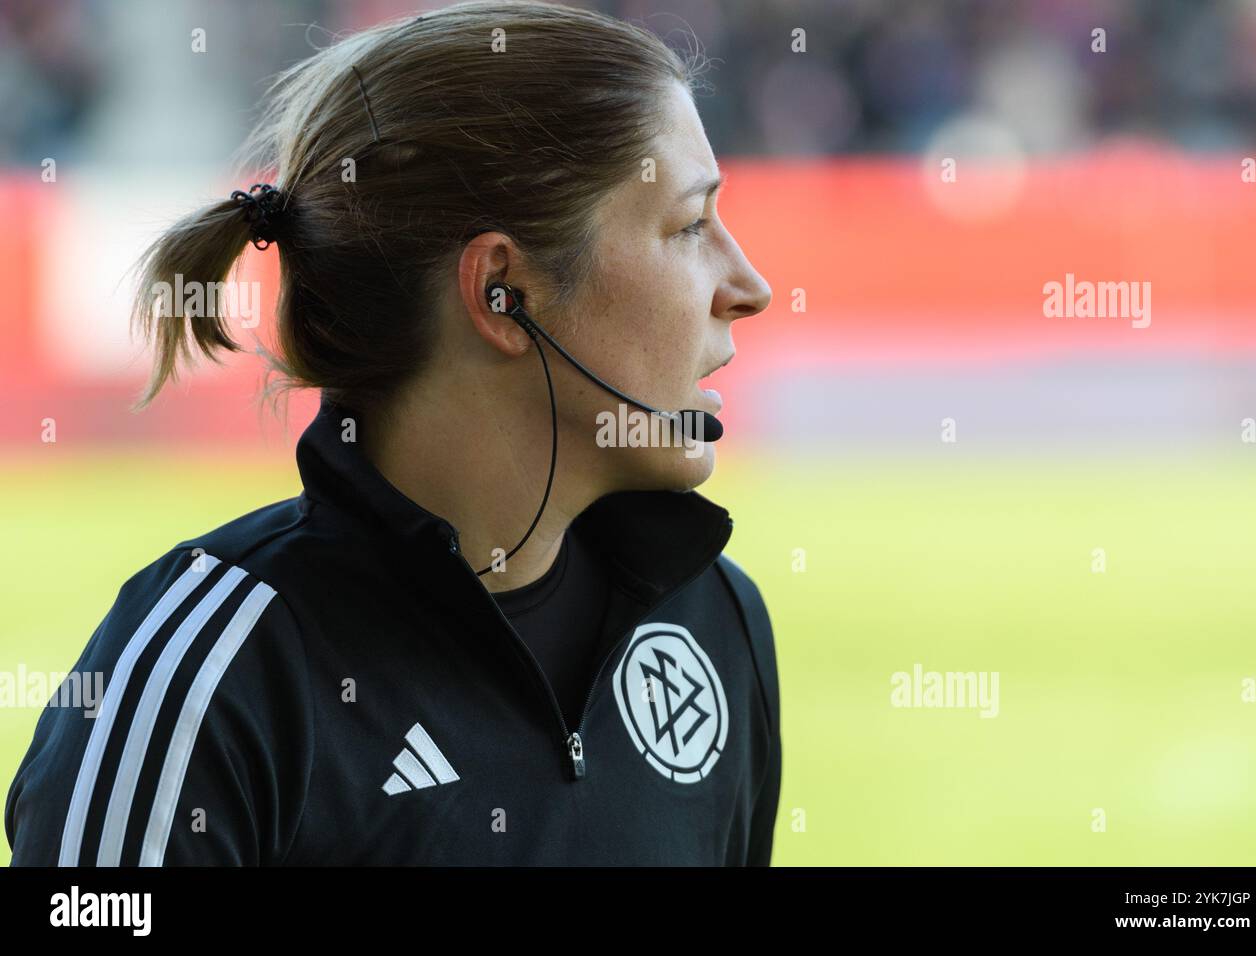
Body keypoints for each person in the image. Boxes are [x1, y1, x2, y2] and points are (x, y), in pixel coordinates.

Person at [5, 0, 778, 866]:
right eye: (688, 226)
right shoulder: (199, 680)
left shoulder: (716, 623)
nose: (748, 286)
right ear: (501, 292)